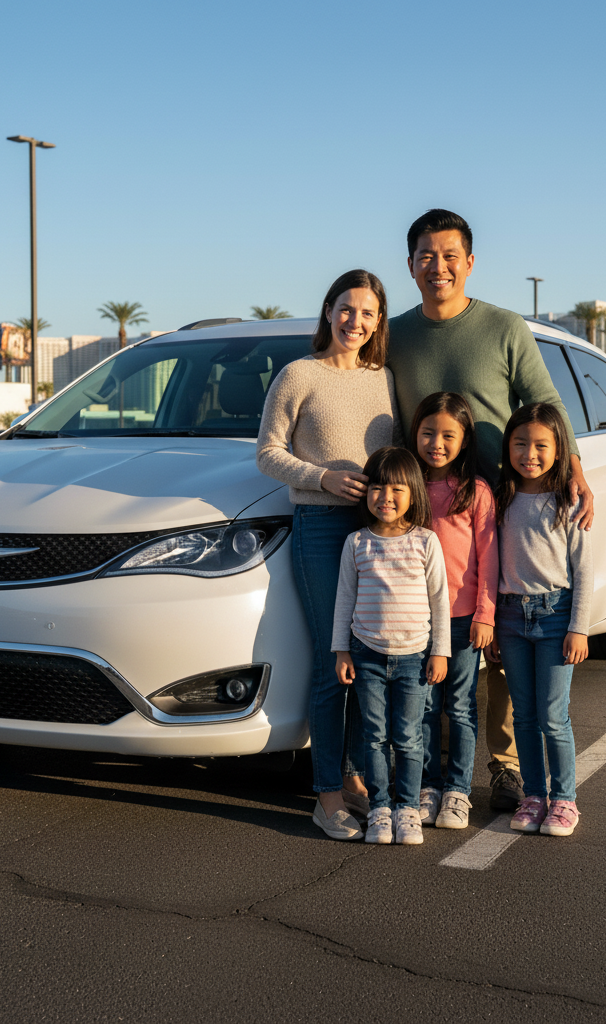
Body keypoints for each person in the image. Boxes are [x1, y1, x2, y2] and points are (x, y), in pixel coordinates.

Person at [385, 208, 594, 811]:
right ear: (411, 265)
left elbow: (545, 401)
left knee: (498, 643)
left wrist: (573, 466)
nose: (439, 266)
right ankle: (428, 773)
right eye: (427, 255)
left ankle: (504, 768)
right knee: (432, 640)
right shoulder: (395, 335)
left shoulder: (504, 327)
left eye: (451, 256)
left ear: (469, 263)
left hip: (501, 504)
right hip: (425, 510)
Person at [257, 269, 399, 841]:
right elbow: (267, 453)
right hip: (318, 527)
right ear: (327, 311)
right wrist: (320, 478)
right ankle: (326, 794)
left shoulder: (385, 378)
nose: (355, 321)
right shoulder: (298, 374)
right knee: (332, 658)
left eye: (367, 313)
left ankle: (358, 777)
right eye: (346, 309)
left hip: (379, 530)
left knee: (372, 660)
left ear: (378, 321)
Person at [332, 446, 451, 845]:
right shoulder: (356, 543)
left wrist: (440, 651)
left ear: (414, 493)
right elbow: (344, 600)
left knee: (409, 737)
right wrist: (342, 650)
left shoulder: (425, 542)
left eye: (397, 489)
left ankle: (407, 809)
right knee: (374, 736)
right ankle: (380, 808)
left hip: (415, 658)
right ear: (366, 493)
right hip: (366, 655)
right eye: (378, 488)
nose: (386, 497)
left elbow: (440, 601)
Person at [492, 403, 591, 837]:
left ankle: (565, 800)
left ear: (558, 450)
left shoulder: (566, 502)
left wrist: (579, 627)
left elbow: (583, 569)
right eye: (520, 444)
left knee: (553, 715)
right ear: (507, 447)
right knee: (525, 716)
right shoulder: (501, 498)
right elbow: (492, 566)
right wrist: (493, 621)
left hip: (555, 618)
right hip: (511, 618)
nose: (529, 453)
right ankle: (534, 796)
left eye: (540, 445)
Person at [411, 392, 498, 830]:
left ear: (465, 440)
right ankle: (428, 786)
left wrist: (486, 614)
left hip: (463, 620)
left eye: (448, 435)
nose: (437, 443)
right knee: (424, 706)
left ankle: (458, 791)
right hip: (415, 619)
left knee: (460, 706)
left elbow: (489, 556)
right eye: (428, 433)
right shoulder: (406, 487)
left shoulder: (475, 491)